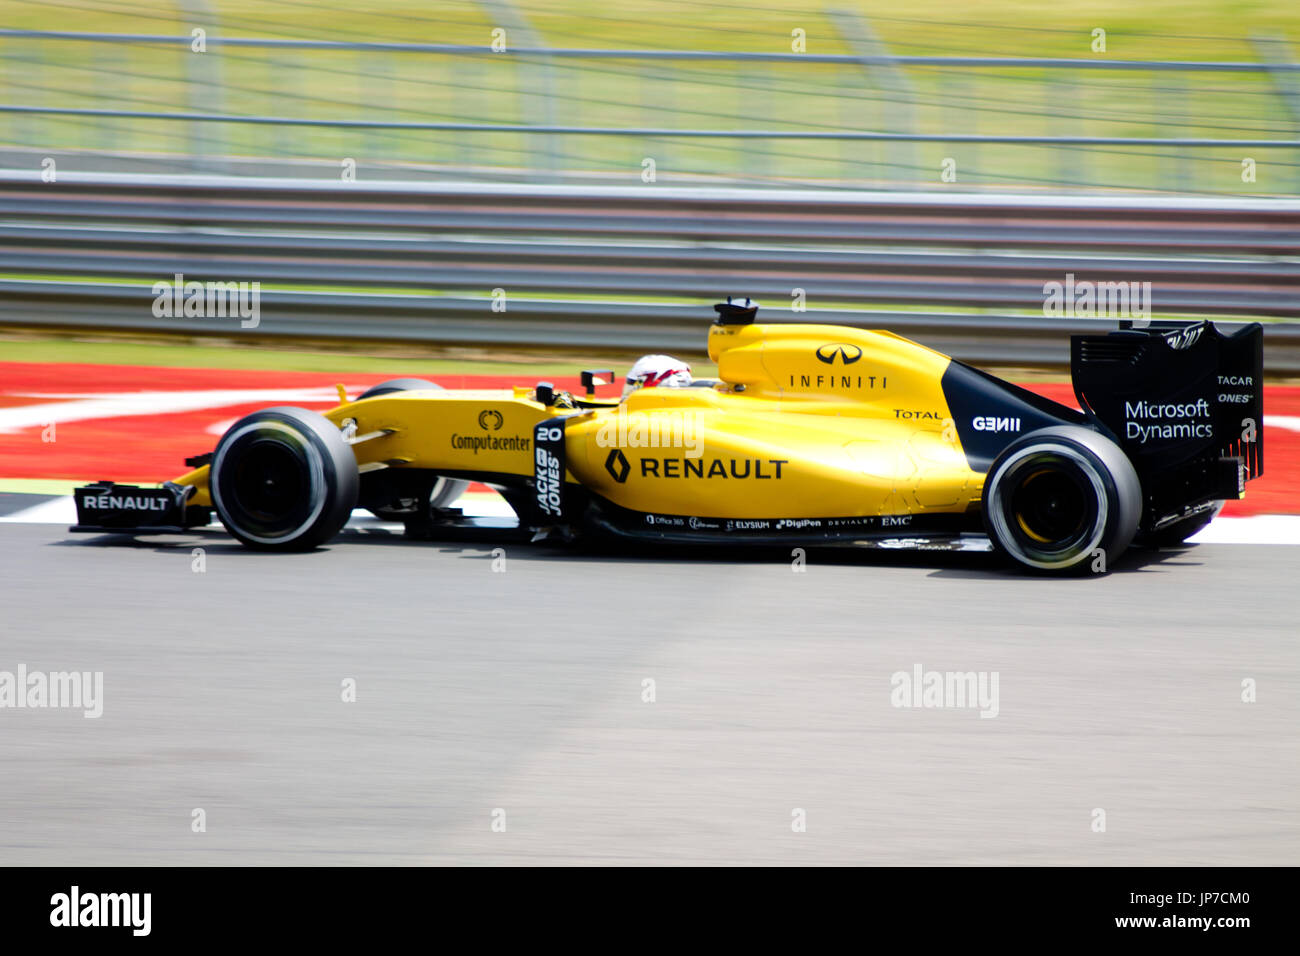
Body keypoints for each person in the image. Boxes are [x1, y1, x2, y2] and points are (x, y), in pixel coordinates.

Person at [621, 354, 692, 398]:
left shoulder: (638, 370)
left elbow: (631, 385)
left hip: (671, 380)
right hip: (685, 377)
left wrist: (625, 399)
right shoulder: (646, 366)